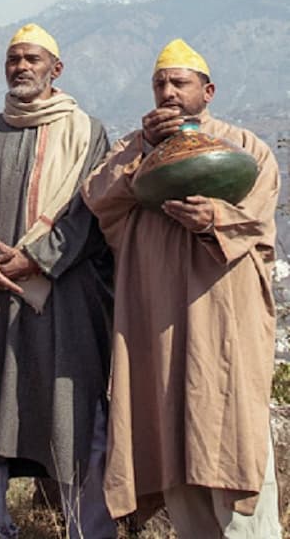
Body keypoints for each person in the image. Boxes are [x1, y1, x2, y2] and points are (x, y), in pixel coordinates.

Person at [82, 39, 282, 537]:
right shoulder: (131, 150)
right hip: (157, 329)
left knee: (234, 443)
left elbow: (257, 220)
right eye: (159, 84)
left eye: (179, 82)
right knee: (174, 450)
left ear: (207, 91)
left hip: (223, 328)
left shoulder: (245, 148)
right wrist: (148, 153)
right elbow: (100, 201)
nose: (167, 92)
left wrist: (213, 217)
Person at [0, 23, 116, 539]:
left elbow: (90, 212)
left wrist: (37, 259)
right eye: (14, 58)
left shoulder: (88, 132)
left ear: (55, 69)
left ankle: (89, 530)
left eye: (32, 58)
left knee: (75, 414)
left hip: (63, 298)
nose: (21, 66)